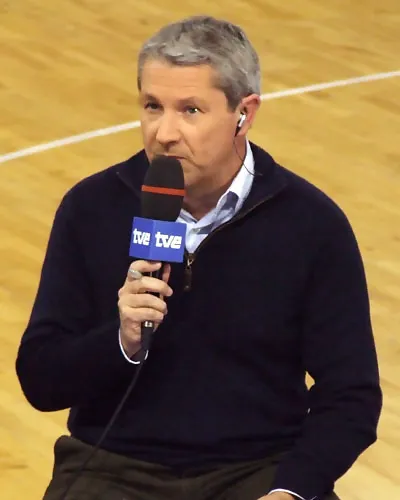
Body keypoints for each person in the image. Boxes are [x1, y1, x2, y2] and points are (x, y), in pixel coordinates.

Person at [15, 15, 382, 500]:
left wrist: (293, 489)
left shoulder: (312, 225)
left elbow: (351, 394)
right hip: (113, 466)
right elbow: (40, 380)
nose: (164, 132)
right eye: (152, 106)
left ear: (244, 114)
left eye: (190, 110)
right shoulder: (92, 208)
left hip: (257, 468)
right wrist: (121, 340)